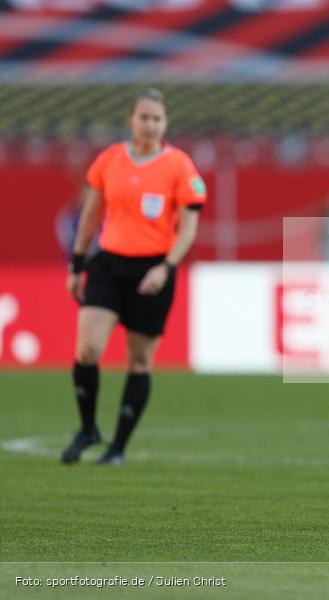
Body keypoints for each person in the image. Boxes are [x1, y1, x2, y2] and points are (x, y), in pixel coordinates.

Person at [61, 88, 206, 466]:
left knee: (139, 360)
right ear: (131, 119)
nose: (150, 124)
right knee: (87, 349)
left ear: (166, 123)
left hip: (153, 269)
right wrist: (77, 265)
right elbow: (91, 216)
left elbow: (188, 228)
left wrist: (166, 267)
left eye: (157, 119)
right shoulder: (109, 161)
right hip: (109, 264)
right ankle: (88, 427)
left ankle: (118, 448)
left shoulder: (180, 166)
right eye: (144, 117)